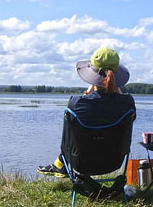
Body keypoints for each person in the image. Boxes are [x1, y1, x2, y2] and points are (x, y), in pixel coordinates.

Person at [37, 47, 135, 177]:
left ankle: (60, 164)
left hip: (80, 163)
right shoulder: (127, 104)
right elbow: (120, 103)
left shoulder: (76, 104)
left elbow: (68, 140)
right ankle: (58, 164)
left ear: (92, 76)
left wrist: (89, 93)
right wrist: (114, 89)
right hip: (114, 162)